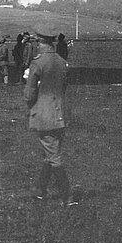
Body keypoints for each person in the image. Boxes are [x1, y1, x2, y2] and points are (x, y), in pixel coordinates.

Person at [24, 28, 75, 205]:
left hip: (44, 115)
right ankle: (39, 189)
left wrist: (32, 105)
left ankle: (67, 196)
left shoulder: (38, 63)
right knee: (51, 152)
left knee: (53, 156)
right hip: (60, 113)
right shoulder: (62, 62)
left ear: (40, 42)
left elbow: (29, 94)